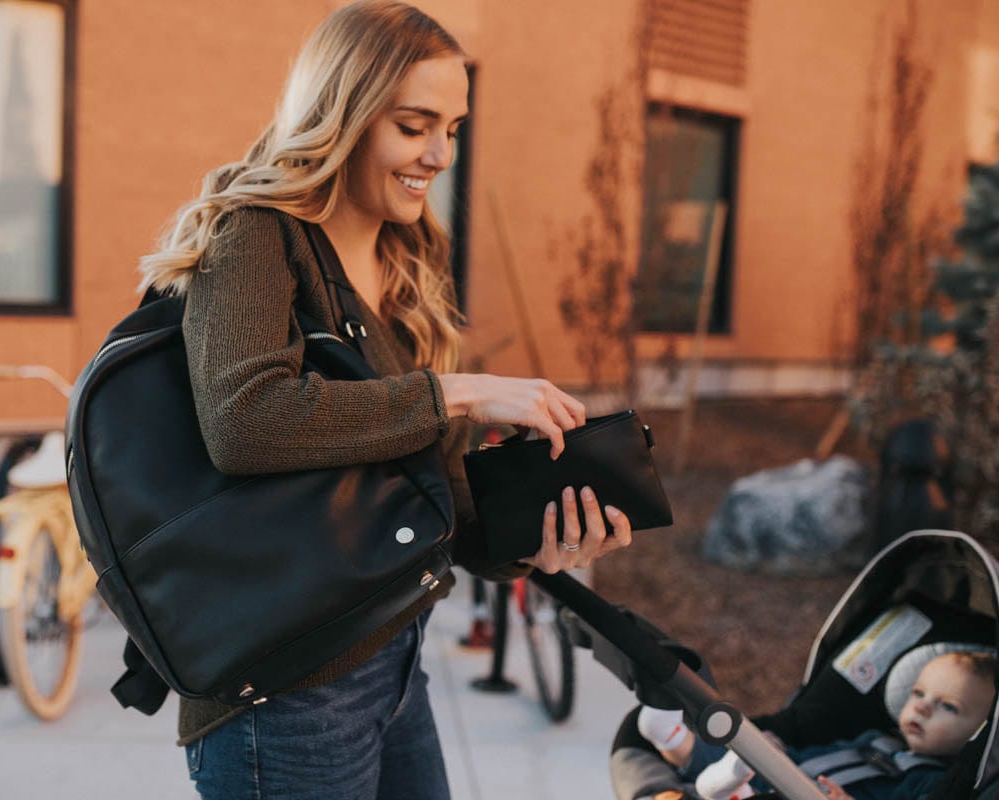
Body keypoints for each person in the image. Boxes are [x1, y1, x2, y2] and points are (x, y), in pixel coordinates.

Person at [136, 2, 635, 797]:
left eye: (453, 128)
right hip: (284, 697)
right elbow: (246, 420)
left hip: (395, 664)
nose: (440, 154)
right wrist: (459, 392)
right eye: (413, 125)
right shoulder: (256, 232)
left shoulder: (409, 258)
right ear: (342, 113)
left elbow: (435, 494)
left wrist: (534, 540)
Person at [637, 651, 997, 800]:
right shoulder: (874, 739)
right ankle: (674, 739)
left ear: (980, 732)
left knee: (745, 779)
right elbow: (818, 753)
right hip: (783, 773)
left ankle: (717, 785)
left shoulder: (928, 782)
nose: (923, 707)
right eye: (919, 693)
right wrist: (778, 749)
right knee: (748, 755)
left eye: (948, 706)